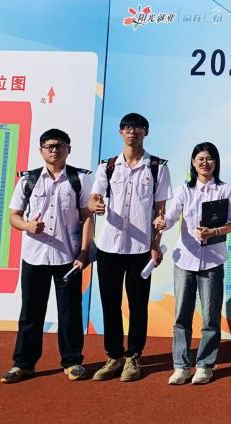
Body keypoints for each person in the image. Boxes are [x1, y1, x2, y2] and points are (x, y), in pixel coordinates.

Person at [0, 129, 94, 383]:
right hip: (35, 256)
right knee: (31, 312)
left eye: (60, 145)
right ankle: (24, 364)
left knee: (70, 312)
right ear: (41, 150)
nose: (54, 150)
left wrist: (84, 252)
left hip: (68, 258)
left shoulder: (79, 179)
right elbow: (13, 216)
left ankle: (72, 362)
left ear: (68, 150)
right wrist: (28, 226)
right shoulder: (28, 180)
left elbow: (88, 217)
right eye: (49, 146)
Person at [89, 113, 172, 382]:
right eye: (126, 127)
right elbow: (93, 198)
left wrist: (156, 244)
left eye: (137, 127)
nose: (131, 132)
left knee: (138, 306)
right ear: (120, 132)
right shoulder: (108, 166)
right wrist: (96, 205)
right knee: (110, 303)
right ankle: (114, 356)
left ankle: (133, 357)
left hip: (140, 249)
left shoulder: (157, 166)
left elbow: (161, 209)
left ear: (145, 132)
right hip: (109, 246)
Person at [154, 142, 231, 385]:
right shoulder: (185, 189)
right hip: (185, 261)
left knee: (210, 317)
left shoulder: (224, 189)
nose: (205, 163)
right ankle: (181, 366)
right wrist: (162, 223)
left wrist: (215, 232)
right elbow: (170, 218)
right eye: (200, 159)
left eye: (210, 158)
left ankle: (205, 365)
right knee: (182, 316)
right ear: (193, 162)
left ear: (216, 162)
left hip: (213, 262)